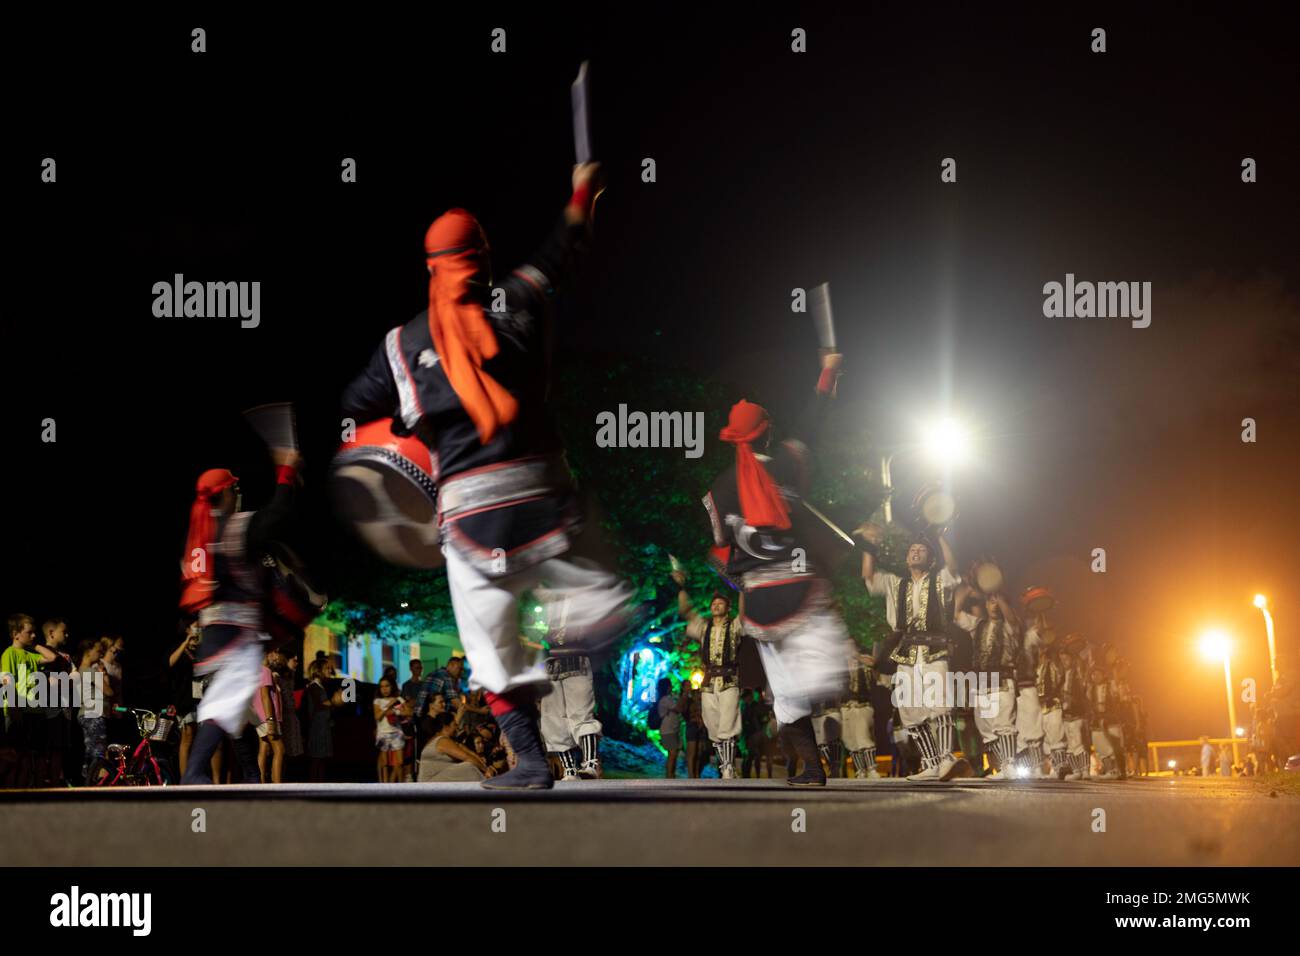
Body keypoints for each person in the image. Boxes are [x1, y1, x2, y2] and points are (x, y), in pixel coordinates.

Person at [341, 160, 635, 791]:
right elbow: (562, 251)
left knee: (490, 651)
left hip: (470, 515)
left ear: (429, 265)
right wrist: (583, 193)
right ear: (484, 255)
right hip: (545, 497)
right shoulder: (520, 299)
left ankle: (530, 760)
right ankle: (598, 602)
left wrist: (399, 435)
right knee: (588, 571)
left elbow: (353, 407)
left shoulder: (402, 346)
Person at [700, 350, 852, 786]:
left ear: (732, 439)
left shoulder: (716, 491)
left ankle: (810, 768)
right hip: (803, 589)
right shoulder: (789, 462)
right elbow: (811, 423)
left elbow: (720, 554)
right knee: (821, 675)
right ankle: (812, 755)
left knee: (785, 691)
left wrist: (742, 580)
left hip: (760, 604)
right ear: (767, 437)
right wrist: (828, 372)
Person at [178, 451, 302, 785]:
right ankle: (194, 772)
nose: (238, 494)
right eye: (234, 489)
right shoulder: (236, 527)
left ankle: (196, 770)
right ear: (224, 494)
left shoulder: (198, 539)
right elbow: (278, 514)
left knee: (225, 706)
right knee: (224, 706)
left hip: (215, 636)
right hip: (236, 636)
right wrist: (286, 473)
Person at [859, 524, 971, 781]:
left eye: (922, 550)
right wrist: (869, 545)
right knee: (910, 711)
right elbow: (868, 576)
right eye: (912, 550)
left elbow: (953, 568)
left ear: (931, 559)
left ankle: (946, 758)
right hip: (906, 651)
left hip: (933, 649)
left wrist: (940, 535)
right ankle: (931, 763)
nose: (916, 552)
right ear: (906, 558)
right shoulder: (894, 583)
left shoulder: (939, 580)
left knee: (938, 705)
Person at [672, 575, 744, 779]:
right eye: (714, 603)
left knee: (727, 725)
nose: (716, 605)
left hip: (729, 681)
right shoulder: (704, 627)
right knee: (713, 726)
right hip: (709, 683)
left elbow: (745, 615)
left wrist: (741, 590)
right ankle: (725, 765)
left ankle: (728, 767)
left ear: (728, 608)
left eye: (721, 603)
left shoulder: (735, 626)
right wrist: (681, 587)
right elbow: (686, 611)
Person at [954, 588, 1022, 779]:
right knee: (987, 730)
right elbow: (956, 613)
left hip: (1002, 680)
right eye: (990, 600)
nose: (994, 603)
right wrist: (967, 588)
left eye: (998, 600)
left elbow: (1011, 618)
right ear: (985, 604)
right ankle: (1001, 766)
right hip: (982, 683)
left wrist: (1000, 597)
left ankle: (1010, 765)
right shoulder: (978, 625)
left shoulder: (1011, 624)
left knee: (1004, 724)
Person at [2, 614, 60, 786]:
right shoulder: (9, 654)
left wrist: (34, 644)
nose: (34, 635)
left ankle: (30, 793)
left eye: (35, 632)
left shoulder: (29, 654)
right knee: (18, 756)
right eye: (29, 632)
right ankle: (13, 793)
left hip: (35, 711)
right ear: (15, 634)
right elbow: (7, 680)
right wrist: (14, 708)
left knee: (34, 755)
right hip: (19, 711)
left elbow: (52, 657)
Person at [540, 653, 602, 780]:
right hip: (549, 667)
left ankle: (591, 764)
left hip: (576, 659)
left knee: (582, 715)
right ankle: (569, 769)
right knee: (553, 721)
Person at [39, 618, 76, 787]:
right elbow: (48, 680)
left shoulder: (66, 656)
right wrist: (64, 679)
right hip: (48, 707)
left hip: (64, 707)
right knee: (44, 747)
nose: (67, 634)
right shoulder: (41, 652)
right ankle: (40, 785)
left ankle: (54, 785)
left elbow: (75, 677)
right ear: (51, 633)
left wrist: (65, 679)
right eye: (63, 631)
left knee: (59, 748)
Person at [168, 621, 203, 779]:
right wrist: (186, 642)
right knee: (186, 738)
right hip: (184, 699)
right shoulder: (181, 648)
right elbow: (170, 663)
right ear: (187, 628)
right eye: (194, 625)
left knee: (195, 739)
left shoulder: (197, 651)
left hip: (198, 698)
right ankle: (185, 779)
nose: (197, 628)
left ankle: (192, 774)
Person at [418, 712, 493, 782]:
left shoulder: (447, 740)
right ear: (446, 727)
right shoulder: (442, 741)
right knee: (468, 766)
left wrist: (485, 767)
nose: (457, 728)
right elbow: (467, 757)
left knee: (471, 765)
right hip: (430, 782)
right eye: (454, 725)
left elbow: (469, 753)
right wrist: (485, 770)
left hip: (437, 779)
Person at [75, 638, 111, 784]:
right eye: (98, 651)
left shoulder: (78, 671)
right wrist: (104, 676)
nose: (100, 654)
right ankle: (94, 781)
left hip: (85, 714)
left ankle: (89, 777)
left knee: (91, 749)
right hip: (94, 714)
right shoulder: (90, 671)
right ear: (88, 652)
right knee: (99, 751)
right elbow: (108, 692)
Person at [842, 647, 881, 779]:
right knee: (850, 741)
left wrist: (858, 657)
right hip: (845, 708)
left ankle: (871, 768)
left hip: (861, 706)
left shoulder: (864, 662)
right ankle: (860, 770)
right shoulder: (840, 666)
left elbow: (876, 668)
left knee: (864, 738)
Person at [306, 659, 343, 782]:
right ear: (318, 670)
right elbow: (320, 704)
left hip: (323, 726)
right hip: (317, 728)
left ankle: (320, 783)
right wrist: (334, 701)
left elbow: (327, 705)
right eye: (327, 668)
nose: (330, 671)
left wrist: (335, 703)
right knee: (317, 758)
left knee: (322, 759)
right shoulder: (313, 687)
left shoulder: (321, 687)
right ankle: (313, 784)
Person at [254, 650, 285, 784]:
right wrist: (270, 720)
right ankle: (277, 784)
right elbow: (265, 696)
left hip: (260, 716)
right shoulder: (265, 671)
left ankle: (261, 784)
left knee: (264, 748)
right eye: (273, 652)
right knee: (279, 749)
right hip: (267, 716)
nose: (276, 655)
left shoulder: (258, 671)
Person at [373, 677, 406, 783]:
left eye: (387, 686)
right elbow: (377, 716)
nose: (384, 689)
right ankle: (385, 786)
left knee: (400, 762)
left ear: (392, 686)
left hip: (397, 733)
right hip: (383, 734)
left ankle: (401, 786)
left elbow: (408, 712)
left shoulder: (399, 699)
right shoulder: (377, 701)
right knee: (385, 763)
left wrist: (396, 711)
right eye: (382, 686)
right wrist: (389, 705)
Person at [652, 678, 683, 778]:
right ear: (667, 687)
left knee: (673, 754)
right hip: (668, 730)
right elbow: (678, 708)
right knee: (672, 754)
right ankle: (669, 775)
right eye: (670, 685)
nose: (671, 687)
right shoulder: (665, 700)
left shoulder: (666, 699)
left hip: (671, 730)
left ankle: (671, 774)